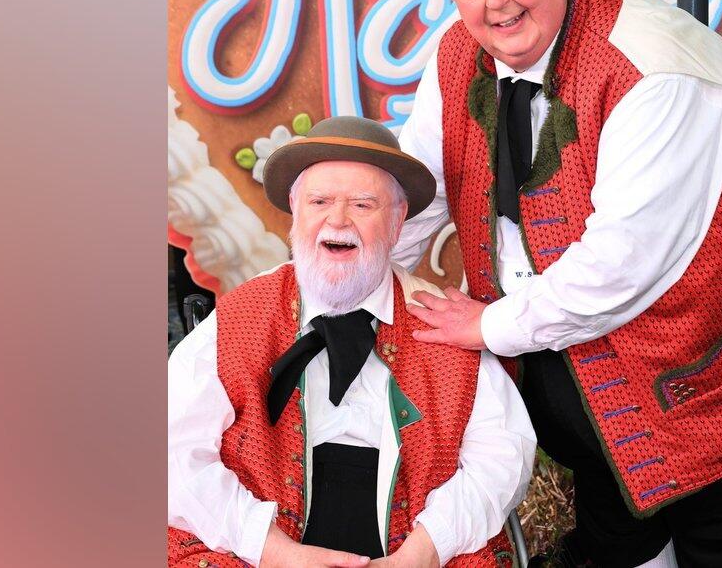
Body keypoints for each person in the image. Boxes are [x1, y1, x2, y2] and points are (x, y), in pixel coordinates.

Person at [391, 0, 722, 567]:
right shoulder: (457, 54)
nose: (494, 2)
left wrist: (486, 327)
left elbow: (622, 264)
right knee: (616, 531)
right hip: (581, 375)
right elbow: (419, 186)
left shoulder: (651, 67)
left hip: (711, 376)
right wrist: (355, 264)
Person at [168, 116, 536, 568]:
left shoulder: (443, 320)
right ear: (295, 210)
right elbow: (173, 451)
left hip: (414, 544)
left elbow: (503, 455)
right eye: (319, 201)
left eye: (363, 204)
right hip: (260, 543)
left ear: (397, 222)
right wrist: (274, 552)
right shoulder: (242, 317)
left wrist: (422, 552)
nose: (337, 220)